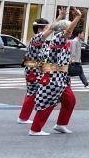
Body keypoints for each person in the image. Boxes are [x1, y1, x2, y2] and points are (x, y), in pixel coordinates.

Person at [28, 8, 84, 136]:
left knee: (70, 101)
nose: (71, 32)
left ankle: (60, 124)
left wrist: (60, 17)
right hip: (53, 78)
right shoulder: (59, 38)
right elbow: (66, 29)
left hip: (61, 78)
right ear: (64, 30)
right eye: (68, 29)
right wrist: (77, 17)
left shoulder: (61, 40)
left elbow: (55, 28)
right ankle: (35, 129)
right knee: (48, 103)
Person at [17, 18, 50, 124]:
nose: (48, 30)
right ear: (40, 29)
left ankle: (23, 117)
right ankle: (23, 118)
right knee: (33, 94)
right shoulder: (37, 38)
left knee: (32, 93)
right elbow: (51, 29)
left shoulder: (40, 40)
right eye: (46, 27)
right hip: (33, 70)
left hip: (36, 69)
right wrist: (58, 19)